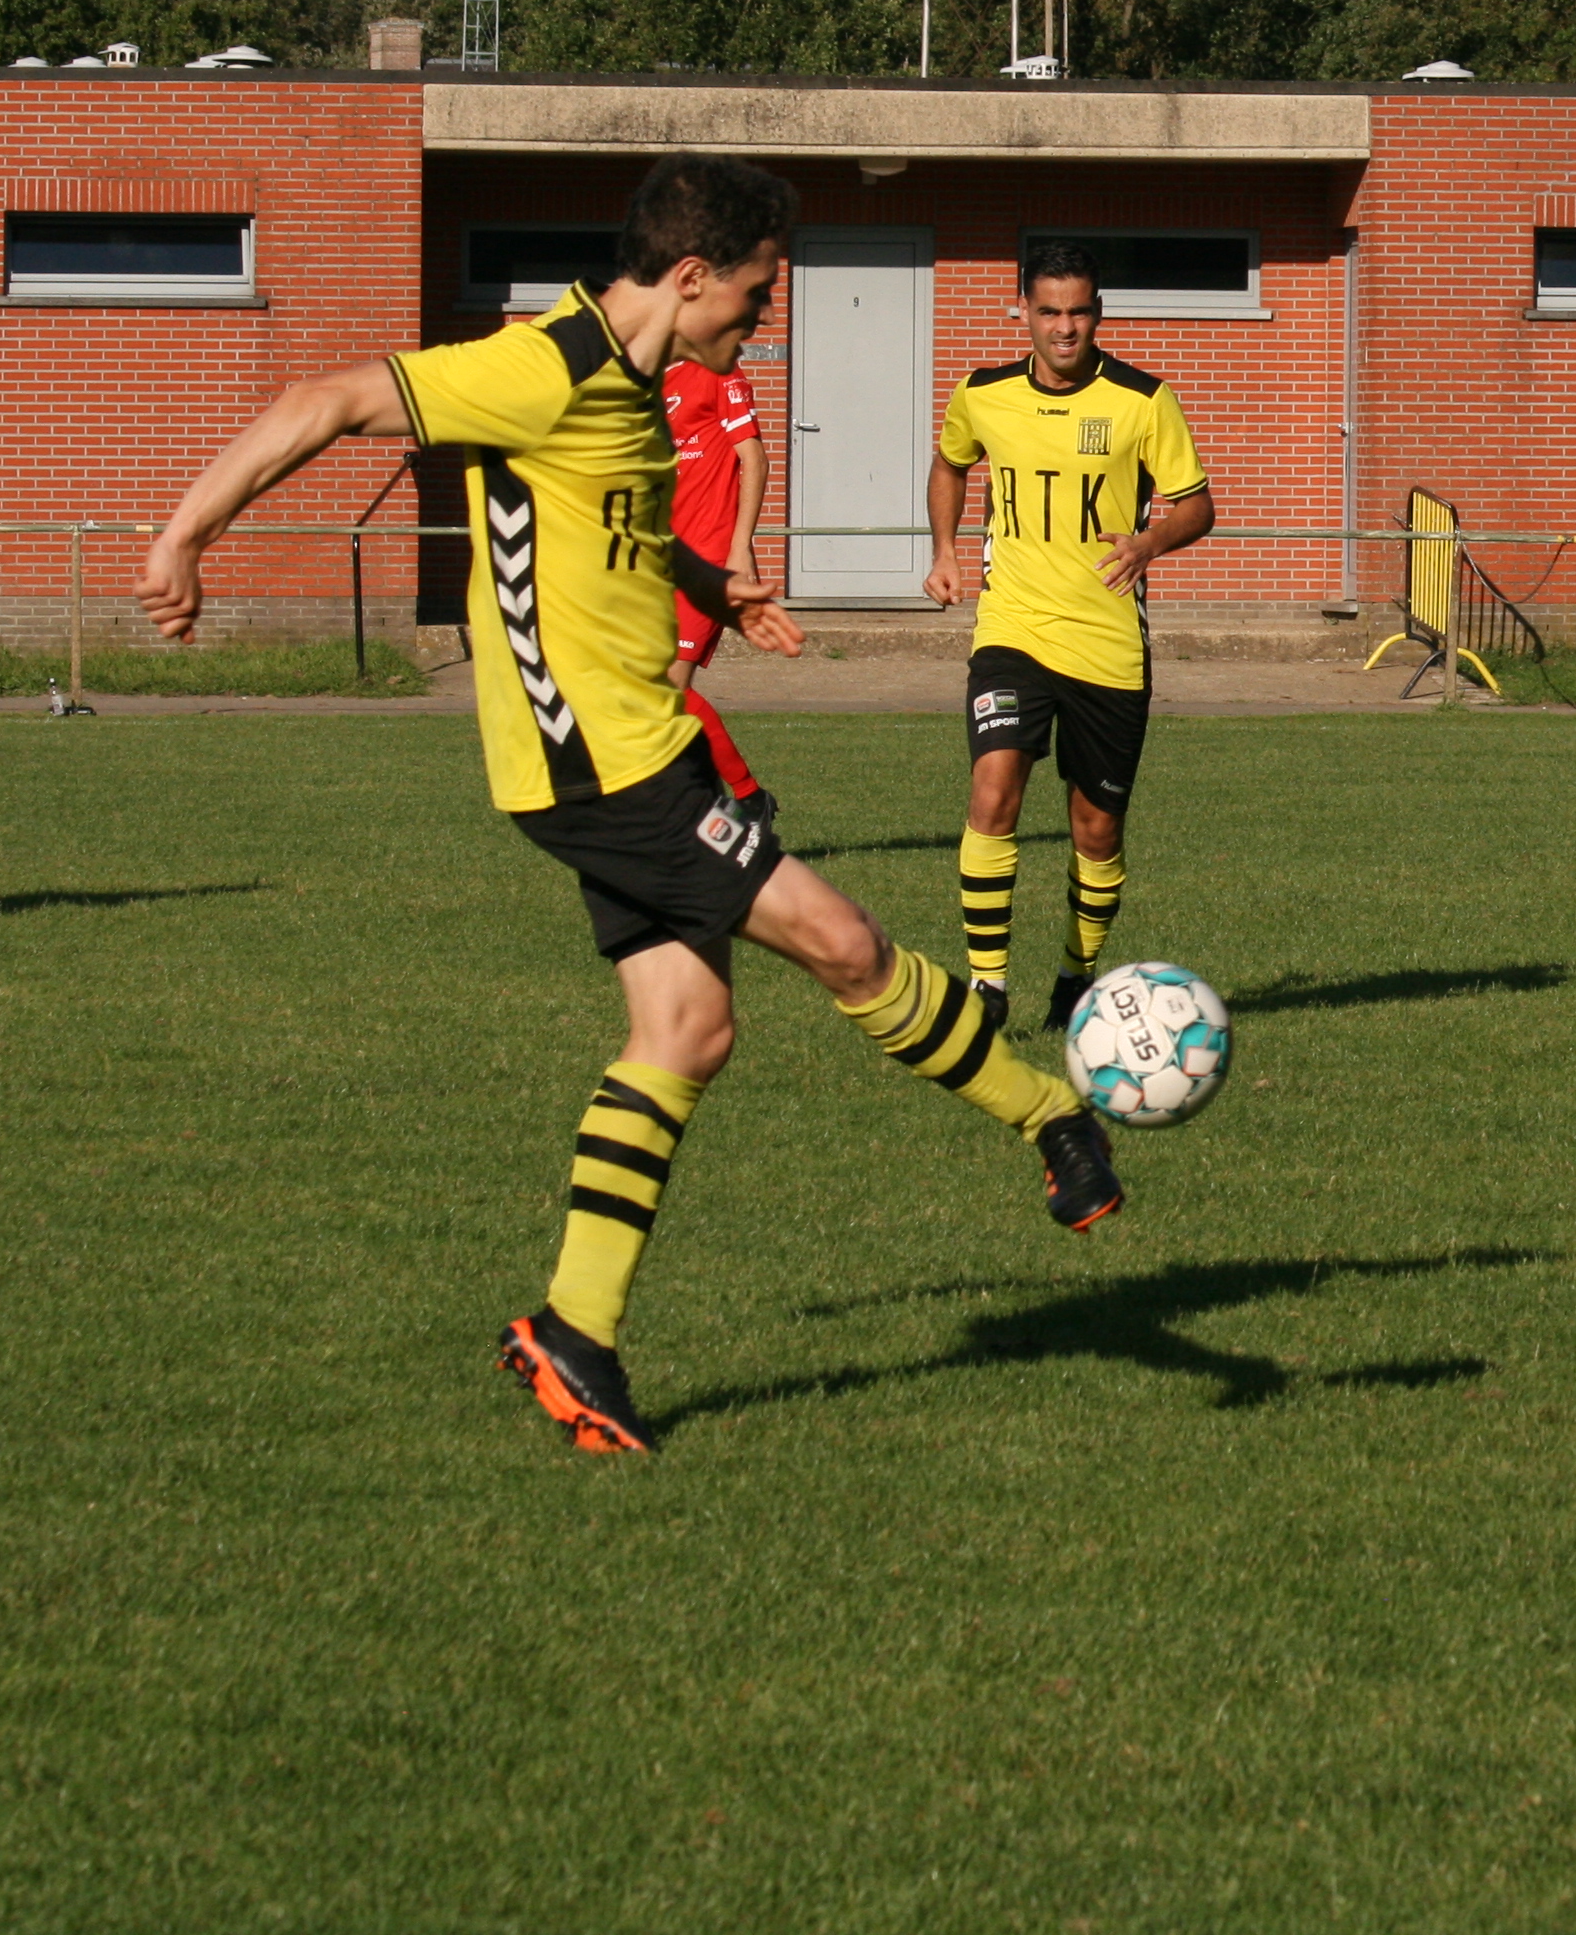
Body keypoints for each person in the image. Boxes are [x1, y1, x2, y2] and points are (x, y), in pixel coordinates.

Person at [135, 155, 1123, 1458]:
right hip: (601, 768)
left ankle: (572, 1332)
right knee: (846, 945)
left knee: (688, 1027)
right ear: (695, 274)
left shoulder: (644, 388)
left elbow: (622, 532)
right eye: (760, 294)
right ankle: (1052, 1118)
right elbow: (322, 399)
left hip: (642, 749)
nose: (764, 318)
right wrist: (180, 539)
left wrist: (719, 595)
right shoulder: (539, 366)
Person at [927, 238, 1217, 1028]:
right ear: (1023, 312)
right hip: (1012, 628)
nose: (1064, 327)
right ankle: (986, 991)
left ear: (1098, 314)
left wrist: (1151, 541)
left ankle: (1074, 972)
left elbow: (1197, 504)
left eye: (1078, 311)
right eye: (1048, 311)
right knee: (993, 792)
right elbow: (951, 463)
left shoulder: (1143, 400)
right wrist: (945, 551)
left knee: (1095, 827)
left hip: (1107, 645)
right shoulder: (981, 393)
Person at [662, 339, 768, 807]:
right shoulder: (640, 384)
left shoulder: (716, 371)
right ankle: (695, 804)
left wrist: (740, 546)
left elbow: (753, 457)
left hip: (707, 556)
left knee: (670, 683)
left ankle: (746, 798)